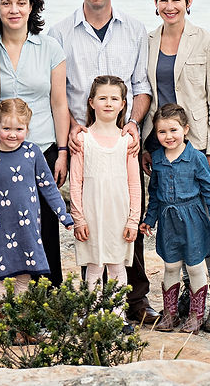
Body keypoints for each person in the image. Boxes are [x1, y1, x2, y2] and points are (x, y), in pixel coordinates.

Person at [48, 0, 158, 325]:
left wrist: (134, 124)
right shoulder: (60, 33)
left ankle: (135, 300)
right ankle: (92, 304)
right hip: (83, 140)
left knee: (128, 213)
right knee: (90, 218)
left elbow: (141, 86)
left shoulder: (135, 30)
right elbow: (59, 92)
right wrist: (71, 131)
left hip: (123, 138)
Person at [141, 0, 210, 333]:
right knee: (175, 222)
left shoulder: (207, 42)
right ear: (156, 4)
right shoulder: (147, 41)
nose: (170, 6)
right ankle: (183, 301)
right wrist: (146, 144)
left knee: (208, 222)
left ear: (188, 2)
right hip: (160, 143)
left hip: (197, 145)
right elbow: (146, 95)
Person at [0, 0, 71, 286]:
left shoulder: (50, 47)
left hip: (42, 149)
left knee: (46, 226)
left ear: (32, 6)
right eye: (6, 3)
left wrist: (62, 151)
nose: (14, 9)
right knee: (5, 227)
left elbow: (59, 103)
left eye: (21, 3)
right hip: (0, 152)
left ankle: (50, 295)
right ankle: (10, 297)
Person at [0, 98, 74, 299]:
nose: (12, 134)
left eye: (19, 129)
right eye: (6, 128)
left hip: (28, 228)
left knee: (24, 276)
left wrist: (64, 216)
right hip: (2, 229)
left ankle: (21, 315)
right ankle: (2, 313)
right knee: (1, 277)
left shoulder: (33, 153)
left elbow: (48, 187)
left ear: (27, 128)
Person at [139, 104, 210, 334]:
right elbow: (155, 193)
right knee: (170, 266)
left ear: (185, 129)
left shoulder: (196, 158)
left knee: (195, 267)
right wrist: (149, 218)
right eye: (162, 132)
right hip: (168, 221)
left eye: (173, 130)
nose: (168, 136)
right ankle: (170, 315)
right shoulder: (157, 158)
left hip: (193, 219)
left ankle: (196, 316)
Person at [70, 76, 141, 332]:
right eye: (102, 98)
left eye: (114, 99)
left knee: (116, 265)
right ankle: (92, 313)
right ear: (91, 102)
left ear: (123, 104)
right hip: (92, 214)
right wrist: (78, 218)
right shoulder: (83, 139)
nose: (108, 103)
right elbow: (75, 182)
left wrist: (133, 220)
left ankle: (118, 315)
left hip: (118, 215)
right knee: (94, 265)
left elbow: (134, 184)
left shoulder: (127, 141)